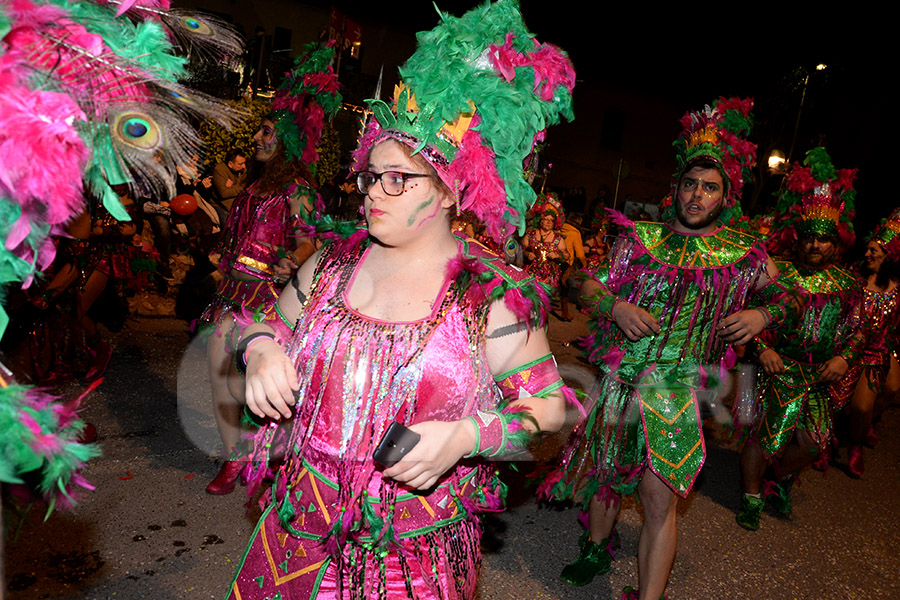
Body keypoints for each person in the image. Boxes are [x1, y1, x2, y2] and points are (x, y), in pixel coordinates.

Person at [224, 3, 576, 597]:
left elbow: (548, 417)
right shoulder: (331, 264)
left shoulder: (490, 297)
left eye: (397, 179)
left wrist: (467, 437)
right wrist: (260, 349)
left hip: (410, 558)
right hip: (296, 534)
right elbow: (254, 318)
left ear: (447, 191)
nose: (373, 193)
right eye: (370, 176)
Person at [541, 98, 787, 599]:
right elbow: (578, 281)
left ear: (725, 197)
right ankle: (595, 547)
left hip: (676, 393)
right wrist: (614, 307)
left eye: (709, 188)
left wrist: (762, 314)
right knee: (607, 480)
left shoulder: (743, 257)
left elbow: (791, 298)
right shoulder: (639, 240)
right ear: (676, 187)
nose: (697, 195)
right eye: (690, 184)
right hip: (617, 382)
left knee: (660, 499)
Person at [201, 43, 341, 495]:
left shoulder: (297, 188)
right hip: (230, 293)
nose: (259, 138)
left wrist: (293, 262)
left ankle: (273, 459)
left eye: (268, 132)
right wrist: (218, 263)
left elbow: (310, 242)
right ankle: (232, 458)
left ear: (289, 143)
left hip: (267, 297)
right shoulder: (251, 186)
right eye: (261, 130)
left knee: (265, 387)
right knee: (219, 374)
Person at [737, 147, 866, 530]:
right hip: (777, 370)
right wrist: (763, 349)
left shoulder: (847, 285)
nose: (815, 246)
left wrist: (844, 358)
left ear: (836, 243)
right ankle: (751, 495)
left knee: (815, 443)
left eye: (823, 240)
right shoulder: (780, 277)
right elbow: (749, 320)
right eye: (809, 238)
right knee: (765, 436)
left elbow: (858, 330)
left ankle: (777, 478)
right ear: (798, 239)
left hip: (819, 377)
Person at [833, 208, 900, 476]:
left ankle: (857, 441)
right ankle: (840, 434)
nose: (868, 254)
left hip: (880, 349)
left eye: (875, 251)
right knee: (841, 402)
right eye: (868, 249)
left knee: (886, 392)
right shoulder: (854, 278)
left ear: (890, 256)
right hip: (850, 347)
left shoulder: (897, 286)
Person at [522, 197, 569, 317]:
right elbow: (520, 250)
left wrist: (557, 255)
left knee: (541, 305)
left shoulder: (558, 239)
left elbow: (566, 255)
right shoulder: (531, 234)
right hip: (530, 273)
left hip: (548, 276)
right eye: (545, 219)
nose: (548, 222)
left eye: (551, 220)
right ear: (540, 220)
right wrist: (528, 254)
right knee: (527, 302)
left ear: (555, 223)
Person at [211, 149, 249, 225]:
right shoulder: (220, 170)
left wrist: (233, 187)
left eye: (244, 163)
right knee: (229, 224)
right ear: (230, 164)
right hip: (221, 205)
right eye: (240, 164)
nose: (244, 166)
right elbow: (224, 193)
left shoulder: (243, 171)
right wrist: (243, 187)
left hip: (238, 205)